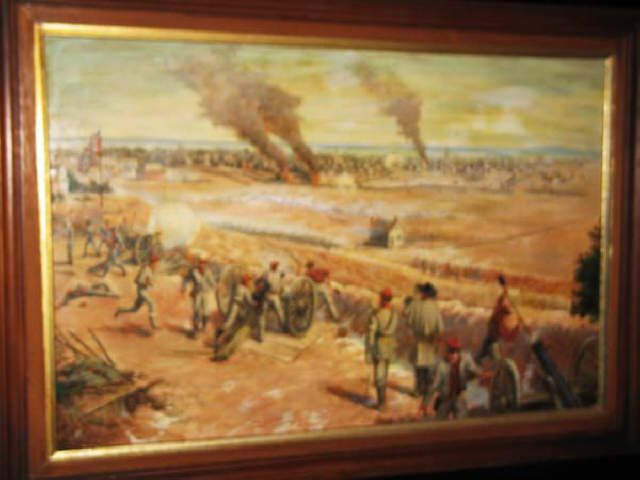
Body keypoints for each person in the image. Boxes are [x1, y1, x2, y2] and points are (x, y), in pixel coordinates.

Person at [424, 337, 488, 419]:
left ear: (458, 352)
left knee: (461, 418)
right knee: (440, 418)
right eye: (450, 352)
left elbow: (475, 370)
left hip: (459, 396)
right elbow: (434, 385)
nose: (452, 355)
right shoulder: (441, 365)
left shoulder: (465, 359)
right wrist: (425, 403)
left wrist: (482, 374)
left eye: (455, 352)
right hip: (446, 397)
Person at [403, 282, 444, 400]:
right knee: (428, 366)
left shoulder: (415, 305)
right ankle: (426, 390)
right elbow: (440, 328)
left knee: (418, 366)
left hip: (418, 339)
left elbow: (407, 319)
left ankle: (418, 390)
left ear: (424, 294)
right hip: (430, 341)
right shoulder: (435, 307)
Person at [476, 274, 523, 363]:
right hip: (493, 334)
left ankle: (480, 360)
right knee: (491, 352)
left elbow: (505, 306)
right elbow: (504, 305)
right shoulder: (502, 301)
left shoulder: (503, 301)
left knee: (488, 351)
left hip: (494, 334)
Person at [366, 288, 398, 410]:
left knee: (379, 375)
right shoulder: (394, 314)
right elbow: (393, 329)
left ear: (381, 299)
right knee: (385, 374)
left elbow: (371, 332)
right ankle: (383, 402)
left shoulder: (376, 314)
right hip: (390, 347)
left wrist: (369, 349)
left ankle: (381, 404)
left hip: (379, 346)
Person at [114, 254, 160, 330]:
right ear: (152, 263)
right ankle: (153, 323)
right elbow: (138, 281)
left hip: (143, 292)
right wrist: (147, 282)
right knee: (151, 303)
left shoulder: (149, 269)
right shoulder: (146, 269)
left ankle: (120, 310)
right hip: (142, 292)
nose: (157, 265)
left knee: (134, 309)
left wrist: (150, 282)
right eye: (157, 264)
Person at [181, 253, 216, 336]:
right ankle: (195, 329)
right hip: (197, 293)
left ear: (206, 264)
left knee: (206, 312)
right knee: (196, 311)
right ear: (198, 262)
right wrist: (184, 286)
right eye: (200, 262)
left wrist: (213, 288)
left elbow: (212, 283)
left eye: (203, 263)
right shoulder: (193, 271)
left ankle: (203, 327)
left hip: (206, 293)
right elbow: (186, 278)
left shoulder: (208, 272)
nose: (202, 264)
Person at [257, 260, 285, 340]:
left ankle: (283, 327)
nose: (274, 267)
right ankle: (261, 336)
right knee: (263, 314)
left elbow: (282, 284)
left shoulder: (279, 273)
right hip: (268, 295)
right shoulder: (267, 273)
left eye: (275, 265)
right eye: (273, 265)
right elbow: (259, 280)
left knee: (279, 313)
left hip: (274, 295)